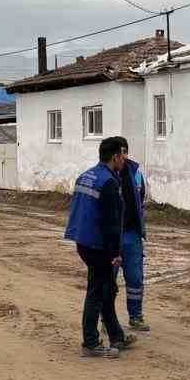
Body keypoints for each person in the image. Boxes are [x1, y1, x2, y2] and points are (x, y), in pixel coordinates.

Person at [63, 136, 136, 359]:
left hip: (83, 240)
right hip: (98, 245)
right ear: (115, 156)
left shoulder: (86, 176)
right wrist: (115, 253)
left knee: (106, 288)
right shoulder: (109, 182)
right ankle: (91, 342)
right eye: (123, 154)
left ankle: (116, 335)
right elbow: (110, 222)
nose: (125, 159)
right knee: (98, 290)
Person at [117, 139, 149, 331]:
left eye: (125, 152)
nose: (123, 157)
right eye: (121, 153)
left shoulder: (136, 174)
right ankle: (107, 320)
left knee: (135, 278)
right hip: (111, 235)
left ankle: (136, 316)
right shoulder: (105, 175)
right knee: (108, 280)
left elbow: (140, 201)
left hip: (132, 234)